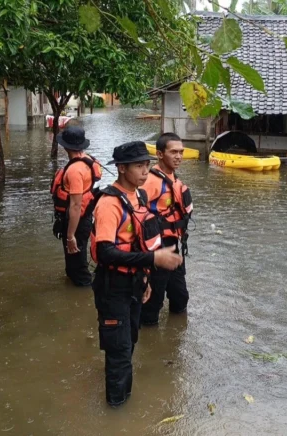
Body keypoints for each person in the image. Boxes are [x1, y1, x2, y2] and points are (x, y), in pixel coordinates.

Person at [90, 141, 183, 406]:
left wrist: (145, 279)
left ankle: (122, 403)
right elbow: (106, 252)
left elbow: (136, 243)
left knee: (129, 342)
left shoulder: (139, 196)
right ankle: (117, 409)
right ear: (121, 168)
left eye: (146, 165)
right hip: (112, 287)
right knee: (119, 351)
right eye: (139, 166)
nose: (145, 171)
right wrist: (154, 258)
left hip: (134, 283)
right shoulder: (110, 204)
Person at [140, 133, 193, 326]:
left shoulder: (172, 177)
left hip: (174, 245)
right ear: (160, 154)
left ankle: (175, 336)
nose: (179, 156)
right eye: (174, 152)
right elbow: (137, 214)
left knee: (180, 298)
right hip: (156, 247)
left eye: (181, 152)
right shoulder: (150, 182)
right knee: (153, 301)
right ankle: (148, 340)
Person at [50, 125, 102, 287]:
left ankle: (85, 293)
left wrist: (70, 235)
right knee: (75, 261)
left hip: (76, 221)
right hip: (85, 217)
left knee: (77, 267)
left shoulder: (74, 171)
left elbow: (75, 205)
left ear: (65, 146)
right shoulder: (88, 160)